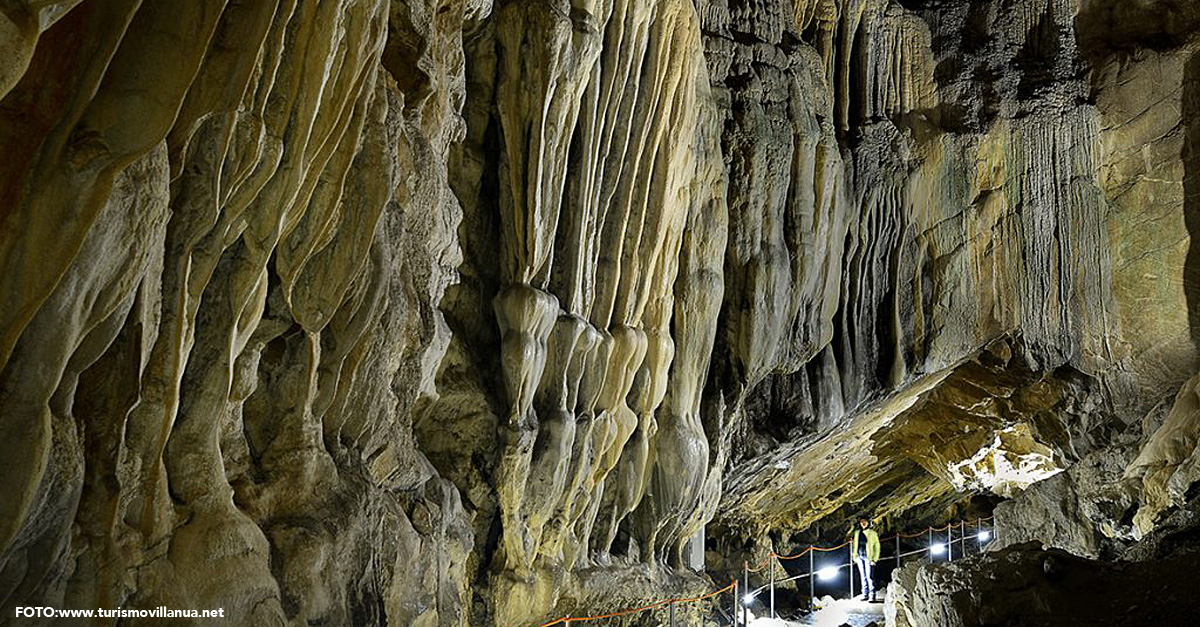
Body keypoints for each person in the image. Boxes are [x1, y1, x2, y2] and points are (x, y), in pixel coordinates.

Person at [849, 516, 880, 601]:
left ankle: (872, 595)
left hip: (868, 557)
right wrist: (854, 556)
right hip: (859, 556)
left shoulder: (872, 533)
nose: (863, 523)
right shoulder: (857, 532)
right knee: (863, 576)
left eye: (864, 522)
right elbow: (855, 545)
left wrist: (874, 559)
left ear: (868, 523)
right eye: (861, 522)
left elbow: (877, 547)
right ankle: (865, 594)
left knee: (870, 576)